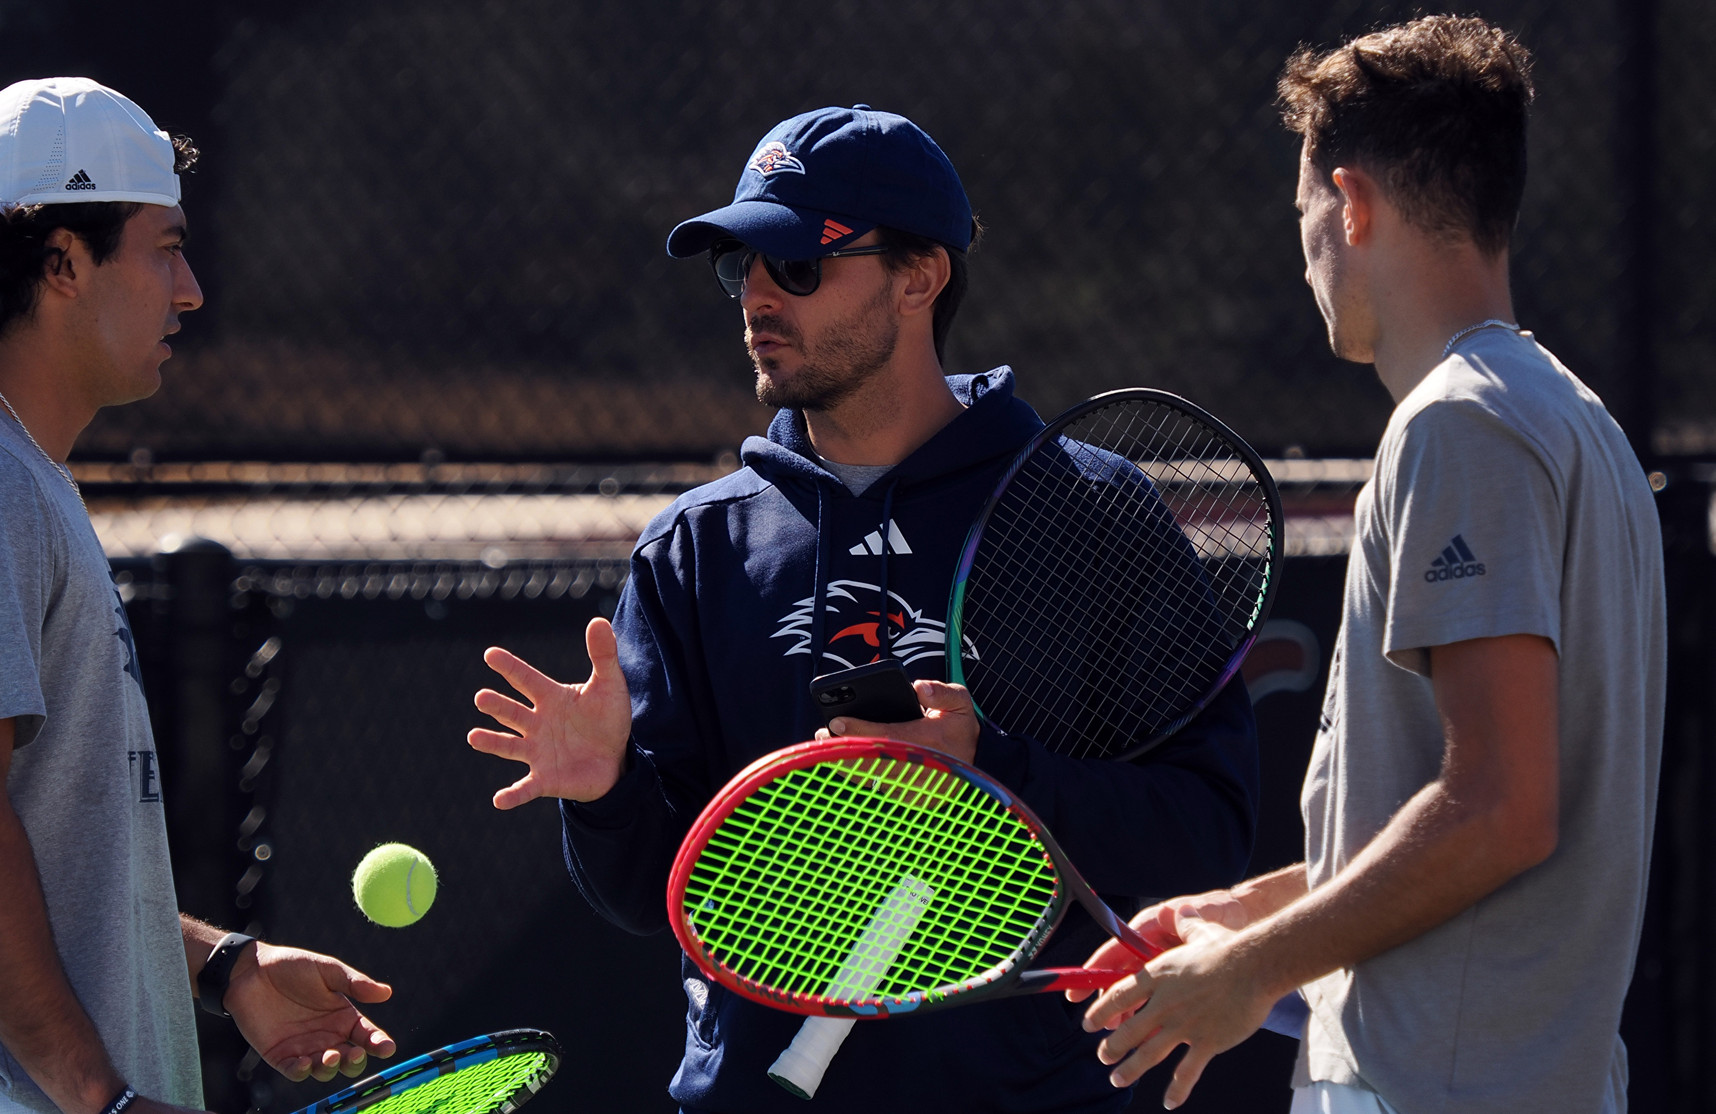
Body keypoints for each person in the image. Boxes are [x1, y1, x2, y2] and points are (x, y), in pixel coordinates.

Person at [468, 105, 1259, 1111]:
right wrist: (604, 792)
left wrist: (993, 772)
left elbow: (1207, 832)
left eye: (797, 265)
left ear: (920, 276)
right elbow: (650, 895)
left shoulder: (1092, 512)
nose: (756, 293)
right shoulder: (695, 547)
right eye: (737, 266)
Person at [1074, 18, 1665, 1114]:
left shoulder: (1462, 426)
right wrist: (1249, 916)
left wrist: (1252, 970)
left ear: (1351, 202)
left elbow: (1500, 808)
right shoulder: (1580, 424)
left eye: (1302, 213)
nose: (1302, 251)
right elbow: (1462, 828)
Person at [0, 78, 397, 1114]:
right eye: (163, 246)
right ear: (61, 263)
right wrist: (103, 1100)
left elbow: (39, 856)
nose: (191, 290)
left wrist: (227, 964)